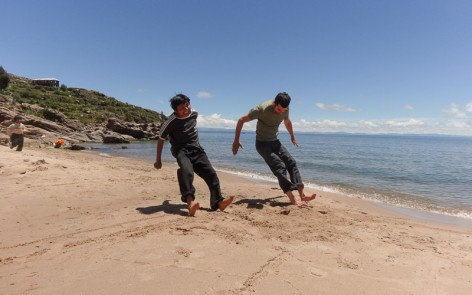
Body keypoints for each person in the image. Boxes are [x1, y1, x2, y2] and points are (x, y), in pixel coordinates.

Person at [154, 94, 234, 216]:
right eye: (182, 108)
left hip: (197, 149)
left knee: (211, 173)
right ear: (175, 110)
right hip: (181, 150)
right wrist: (158, 160)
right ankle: (190, 204)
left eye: (187, 105)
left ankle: (219, 202)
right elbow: (160, 139)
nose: (186, 109)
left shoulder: (194, 113)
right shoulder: (170, 121)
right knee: (187, 172)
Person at [232, 92, 316, 207]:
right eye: (279, 109)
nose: (281, 112)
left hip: (275, 142)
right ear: (274, 104)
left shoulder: (285, 109)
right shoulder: (261, 109)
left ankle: (302, 195)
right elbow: (241, 120)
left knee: (291, 162)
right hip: (262, 144)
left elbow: (287, 121)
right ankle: (293, 199)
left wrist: (292, 136)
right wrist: (236, 140)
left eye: (284, 110)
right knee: (279, 166)